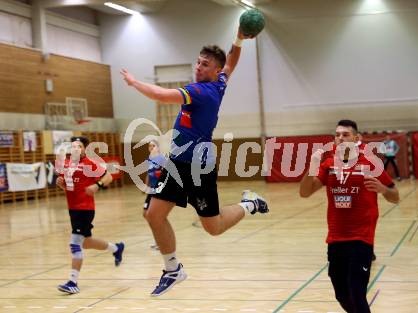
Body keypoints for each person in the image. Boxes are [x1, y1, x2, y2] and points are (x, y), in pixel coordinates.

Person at [121, 27, 269, 296]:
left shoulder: (202, 92)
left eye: (205, 65)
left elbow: (161, 96)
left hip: (199, 169)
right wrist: (238, 38)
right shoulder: (220, 81)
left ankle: (250, 203)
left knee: (213, 228)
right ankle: (173, 269)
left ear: (214, 71)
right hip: (177, 163)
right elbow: (232, 62)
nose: (199, 67)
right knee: (153, 214)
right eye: (198, 62)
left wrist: (135, 83)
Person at [300, 120, 399, 313]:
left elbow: (395, 197)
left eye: (345, 134)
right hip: (336, 238)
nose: (340, 138)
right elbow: (305, 193)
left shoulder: (371, 163)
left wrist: (383, 189)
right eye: (337, 135)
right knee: (341, 294)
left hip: (361, 238)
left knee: (356, 292)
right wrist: (312, 167)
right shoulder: (329, 164)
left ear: (357, 138)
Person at [56, 136, 125, 294]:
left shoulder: (90, 164)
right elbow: (69, 188)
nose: (75, 149)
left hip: (85, 209)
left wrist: (97, 185)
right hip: (72, 209)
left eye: (78, 146)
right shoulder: (67, 165)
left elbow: (108, 177)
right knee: (86, 242)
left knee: (75, 243)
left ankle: (73, 282)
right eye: (73, 146)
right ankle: (116, 248)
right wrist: (62, 185)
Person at [143, 140, 166, 250]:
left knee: (155, 216)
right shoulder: (149, 159)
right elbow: (149, 174)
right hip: (151, 190)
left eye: (153, 145)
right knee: (145, 214)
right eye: (150, 146)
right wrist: (145, 186)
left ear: (158, 147)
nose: (151, 148)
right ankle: (158, 239)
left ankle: (161, 241)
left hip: (159, 190)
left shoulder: (161, 159)